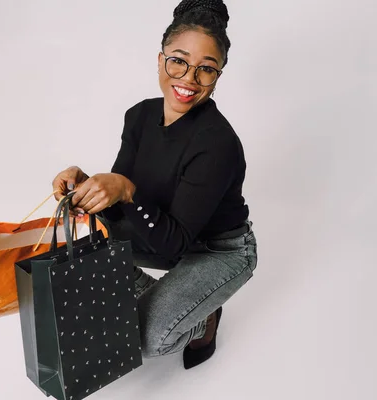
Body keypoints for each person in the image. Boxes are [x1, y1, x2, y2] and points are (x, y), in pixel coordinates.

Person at [52, 0, 258, 370]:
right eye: (178, 60)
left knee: (146, 336)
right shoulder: (140, 115)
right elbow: (119, 207)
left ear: (218, 76)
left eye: (206, 70)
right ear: (160, 59)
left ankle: (202, 319)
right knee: (92, 246)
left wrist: (126, 189)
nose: (189, 79)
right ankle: (189, 299)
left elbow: (174, 239)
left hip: (218, 250)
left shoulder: (217, 142)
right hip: (164, 232)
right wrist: (90, 185)